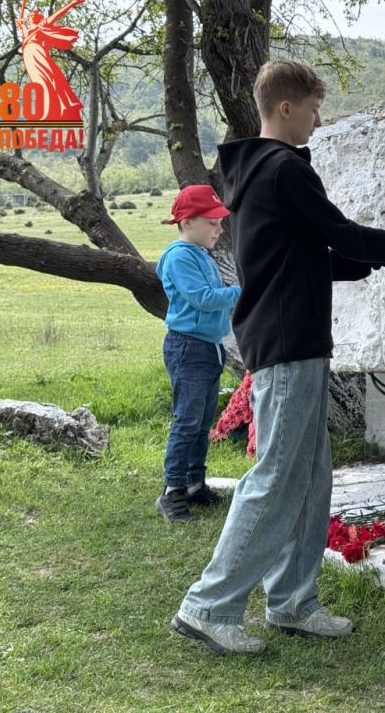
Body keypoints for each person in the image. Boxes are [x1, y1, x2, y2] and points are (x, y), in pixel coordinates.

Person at [171, 59, 385, 654]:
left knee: (312, 475)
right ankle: (209, 605)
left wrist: (382, 258)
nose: (319, 121)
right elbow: (340, 233)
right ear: (285, 107)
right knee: (276, 475)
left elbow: (308, 255)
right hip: (288, 341)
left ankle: (293, 602)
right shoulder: (280, 170)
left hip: (291, 338)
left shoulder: (250, 174)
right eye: (314, 109)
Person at [155, 185, 241, 523]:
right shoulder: (179, 255)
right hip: (188, 347)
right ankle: (172, 492)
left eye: (220, 223)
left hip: (208, 346)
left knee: (203, 420)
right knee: (187, 420)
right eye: (213, 222)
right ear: (187, 221)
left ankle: (194, 483)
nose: (219, 230)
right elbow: (203, 298)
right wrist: (244, 292)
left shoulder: (201, 254)